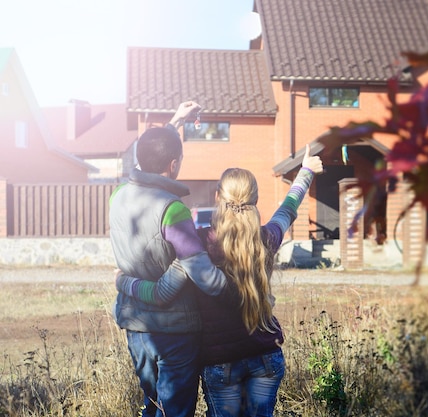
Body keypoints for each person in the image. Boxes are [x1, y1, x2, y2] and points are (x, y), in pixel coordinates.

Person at [116, 144, 324, 417]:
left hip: (220, 362)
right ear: (255, 199)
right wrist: (306, 172)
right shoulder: (265, 240)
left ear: (217, 196)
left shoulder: (199, 243)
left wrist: (124, 282)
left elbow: (163, 288)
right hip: (266, 357)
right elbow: (288, 209)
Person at [109, 101, 228, 417]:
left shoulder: (118, 195)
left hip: (135, 325)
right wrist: (243, 285)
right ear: (174, 164)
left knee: (152, 406)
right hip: (173, 332)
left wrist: (174, 120)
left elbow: (143, 158)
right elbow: (207, 279)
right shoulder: (172, 209)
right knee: (175, 411)